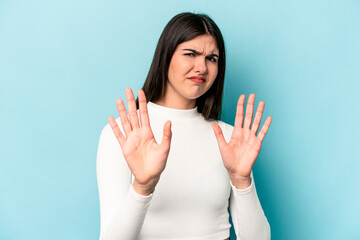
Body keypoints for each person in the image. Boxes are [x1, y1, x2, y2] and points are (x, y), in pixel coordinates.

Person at [96, 12, 272, 240]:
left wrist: (242, 181)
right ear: (166, 56)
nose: (202, 67)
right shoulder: (124, 133)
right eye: (190, 54)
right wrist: (143, 187)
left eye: (212, 58)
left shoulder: (229, 139)